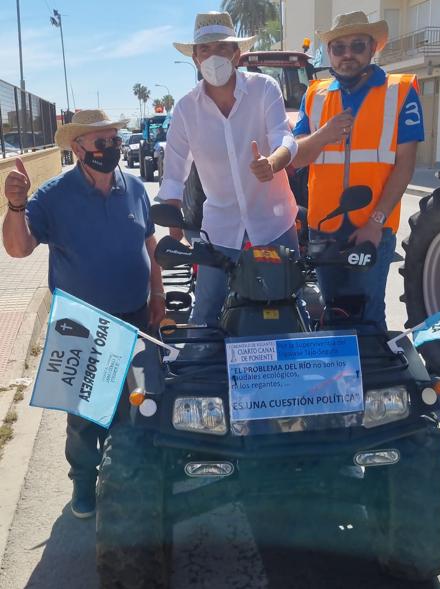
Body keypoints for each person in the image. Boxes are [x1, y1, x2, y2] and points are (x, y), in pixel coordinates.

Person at [2, 109, 166, 519]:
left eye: (113, 140)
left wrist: (158, 292)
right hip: (81, 325)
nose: (110, 148)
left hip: (135, 317)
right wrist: (16, 206)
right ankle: (83, 480)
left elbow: (150, 243)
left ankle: (132, 477)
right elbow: (18, 249)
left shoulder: (133, 188)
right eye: (100, 142)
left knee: (141, 401)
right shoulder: (53, 196)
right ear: (77, 148)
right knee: (84, 417)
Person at [157, 11, 300, 326]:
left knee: (288, 308)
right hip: (218, 230)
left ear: (237, 53)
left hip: (275, 224)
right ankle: (201, 373)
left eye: (221, 47)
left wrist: (272, 163)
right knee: (206, 313)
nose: (213, 56)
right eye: (204, 49)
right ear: (195, 58)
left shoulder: (265, 89)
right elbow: (174, 170)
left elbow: (285, 138)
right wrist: (173, 222)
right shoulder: (185, 110)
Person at [292, 11, 424, 329]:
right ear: (330, 54)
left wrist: (376, 222)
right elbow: (297, 158)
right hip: (324, 227)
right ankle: (339, 380)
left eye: (357, 45)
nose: (347, 54)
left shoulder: (401, 90)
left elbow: (405, 164)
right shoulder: (314, 95)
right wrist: (325, 134)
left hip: (372, 230)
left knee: (368, 318)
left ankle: (372, 379)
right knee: (332, 314)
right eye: (339, 48)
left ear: (372, 48)